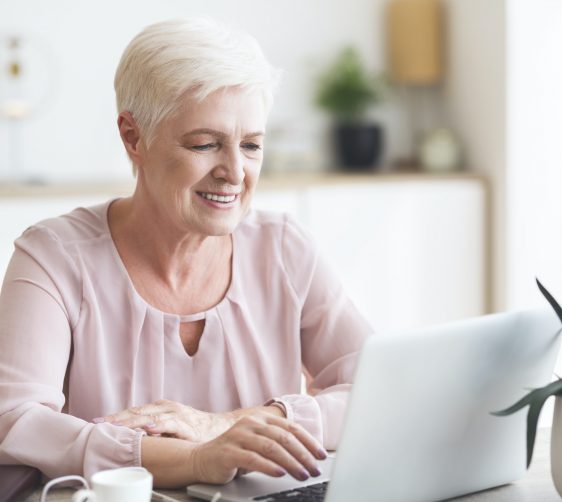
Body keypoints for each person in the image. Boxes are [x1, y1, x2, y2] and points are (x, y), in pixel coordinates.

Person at [0, 18, 372, 488]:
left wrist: (225, 423)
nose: (234, 173)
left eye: (252, 145)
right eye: (205, 144)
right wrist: (196, 460)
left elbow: (376, 391)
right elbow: (14, 421)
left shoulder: (283, 247)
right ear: (134, 137)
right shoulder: (53, 258)